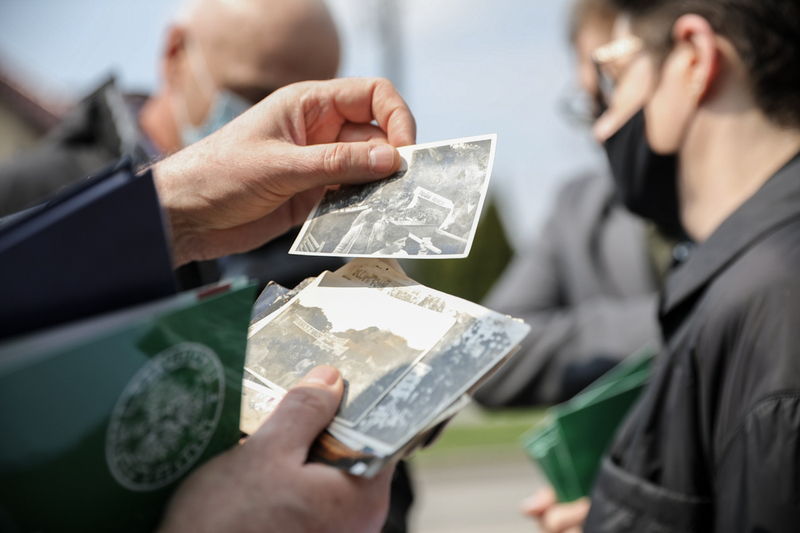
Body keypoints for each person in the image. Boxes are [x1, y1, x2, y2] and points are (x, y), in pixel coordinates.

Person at [6, 76, 412, 532]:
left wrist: (175, 216)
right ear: (176, 55)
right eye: (253, 89)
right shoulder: (24, 179)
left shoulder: (303, 221)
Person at [526, 0, 800, 531]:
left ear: (695, 58)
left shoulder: (771, 301)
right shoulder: (748, 279)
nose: (603, 126)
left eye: (615, 77)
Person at [0, 0, 343, 290]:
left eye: (307, 114)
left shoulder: (311, 254)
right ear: (175, 53)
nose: (279, 124)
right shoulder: (27, 193)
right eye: (258, 97)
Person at [474, 0, 672, 412]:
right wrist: (681, 316)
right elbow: (483, 353)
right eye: (592, 105)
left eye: (613, 88)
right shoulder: (578, 209)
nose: (603, 131)